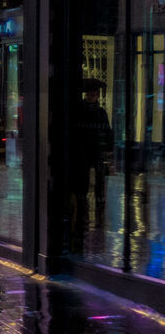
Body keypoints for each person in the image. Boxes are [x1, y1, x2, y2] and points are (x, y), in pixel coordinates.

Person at [70, 77, 113, 249]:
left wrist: (108, 150)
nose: (92, 97)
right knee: (84, 181)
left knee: (99, 181)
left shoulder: (101, 112)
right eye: (90, 94)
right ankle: (84, 209)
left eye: (94, 95)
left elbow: (107, 131)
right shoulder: (80, 111)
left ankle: (98, 206)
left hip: (97, 152)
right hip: (83, 152)